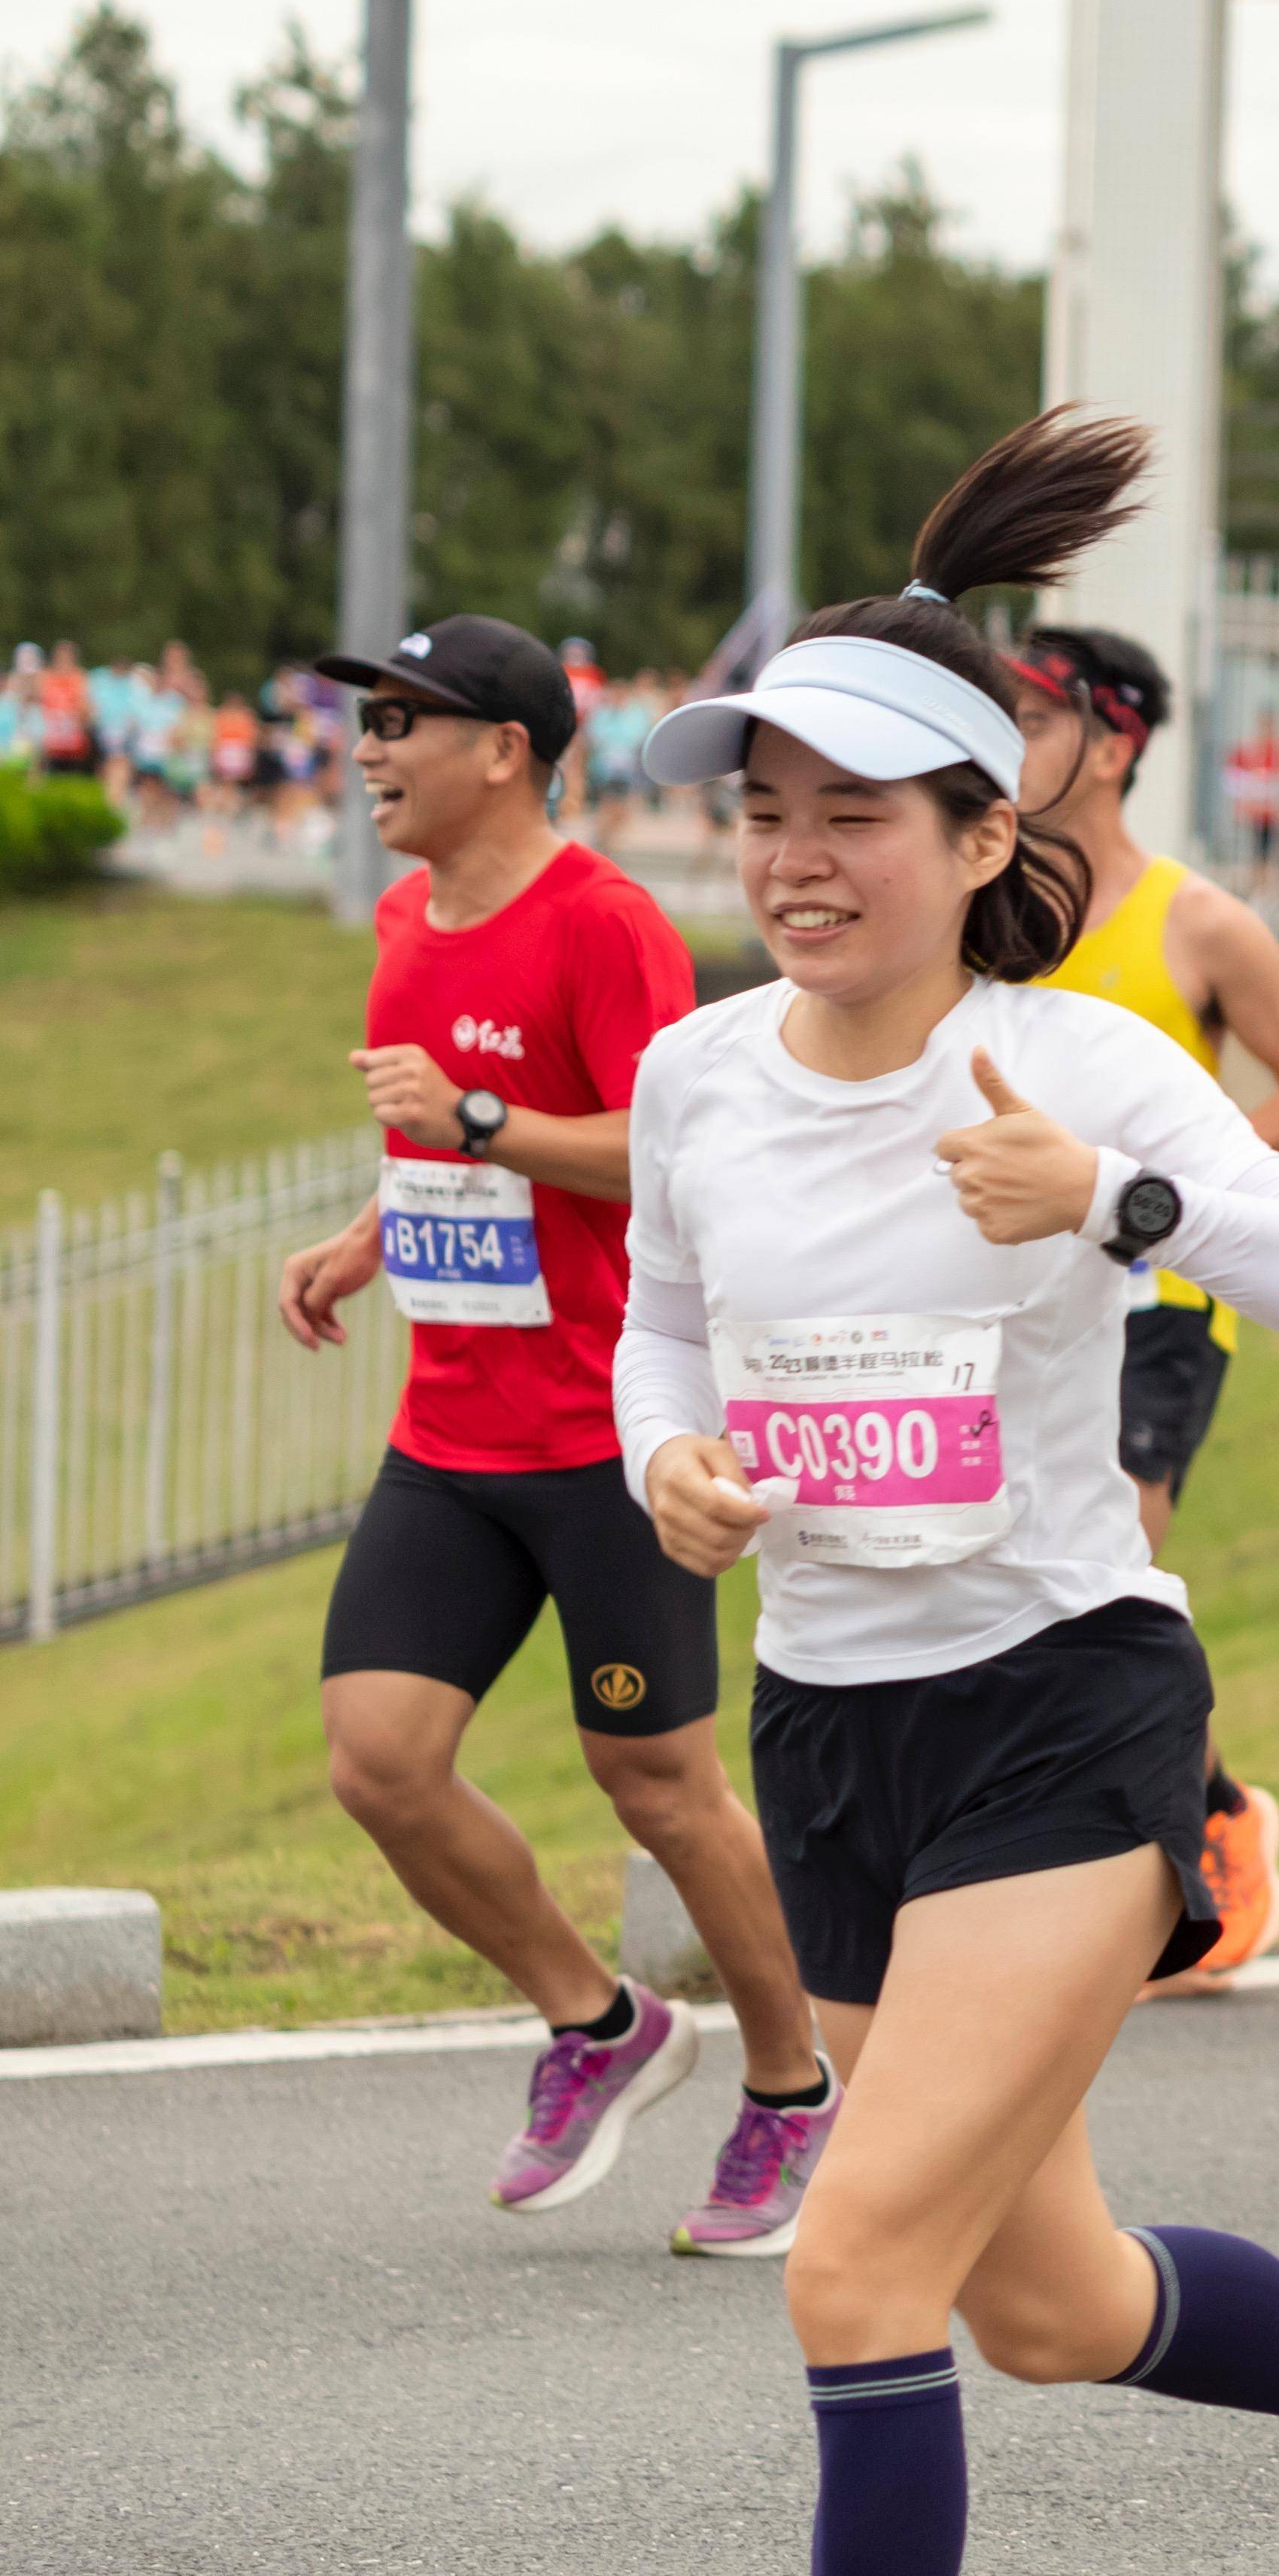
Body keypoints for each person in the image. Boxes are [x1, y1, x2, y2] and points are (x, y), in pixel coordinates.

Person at [620, 411, 1279, 2575]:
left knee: (853, 2269)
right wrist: (662, 1453)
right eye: (762, 811)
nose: (792, 856)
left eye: (851, 814)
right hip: (834, 1726)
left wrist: (1120, 1199)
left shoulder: (1080, 1064)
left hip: (1063, 1701)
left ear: (977, 835)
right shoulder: (698, 1072)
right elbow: (659, 1329)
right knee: (1042, 2302)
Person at [269, 614, 826, 2253]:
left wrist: (486, 1120)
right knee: (379, 1760)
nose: (367, 749)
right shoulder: (399, 913)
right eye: (361, 721)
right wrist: (372, 1236)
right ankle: (601, 2028)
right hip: (452, 1426)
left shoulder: (606, 925)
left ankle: (796, 2093)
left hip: (610, 1427)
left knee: (655, 1780)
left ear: (501, 749)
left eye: (398, 722)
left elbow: (671, 1162)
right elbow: (437, 1145)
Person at [1001, 623, 1279, 1997]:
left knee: (1120, 1558)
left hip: (1161, 1294)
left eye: (1034, 719)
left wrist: (1163, 1178)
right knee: (1038, 1580)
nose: (1012, 747)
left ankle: (1201, 1836)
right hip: (1020, 1299)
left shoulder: (1200, 921)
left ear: (1116, 740)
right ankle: (1182, 1809)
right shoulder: (992, 911)